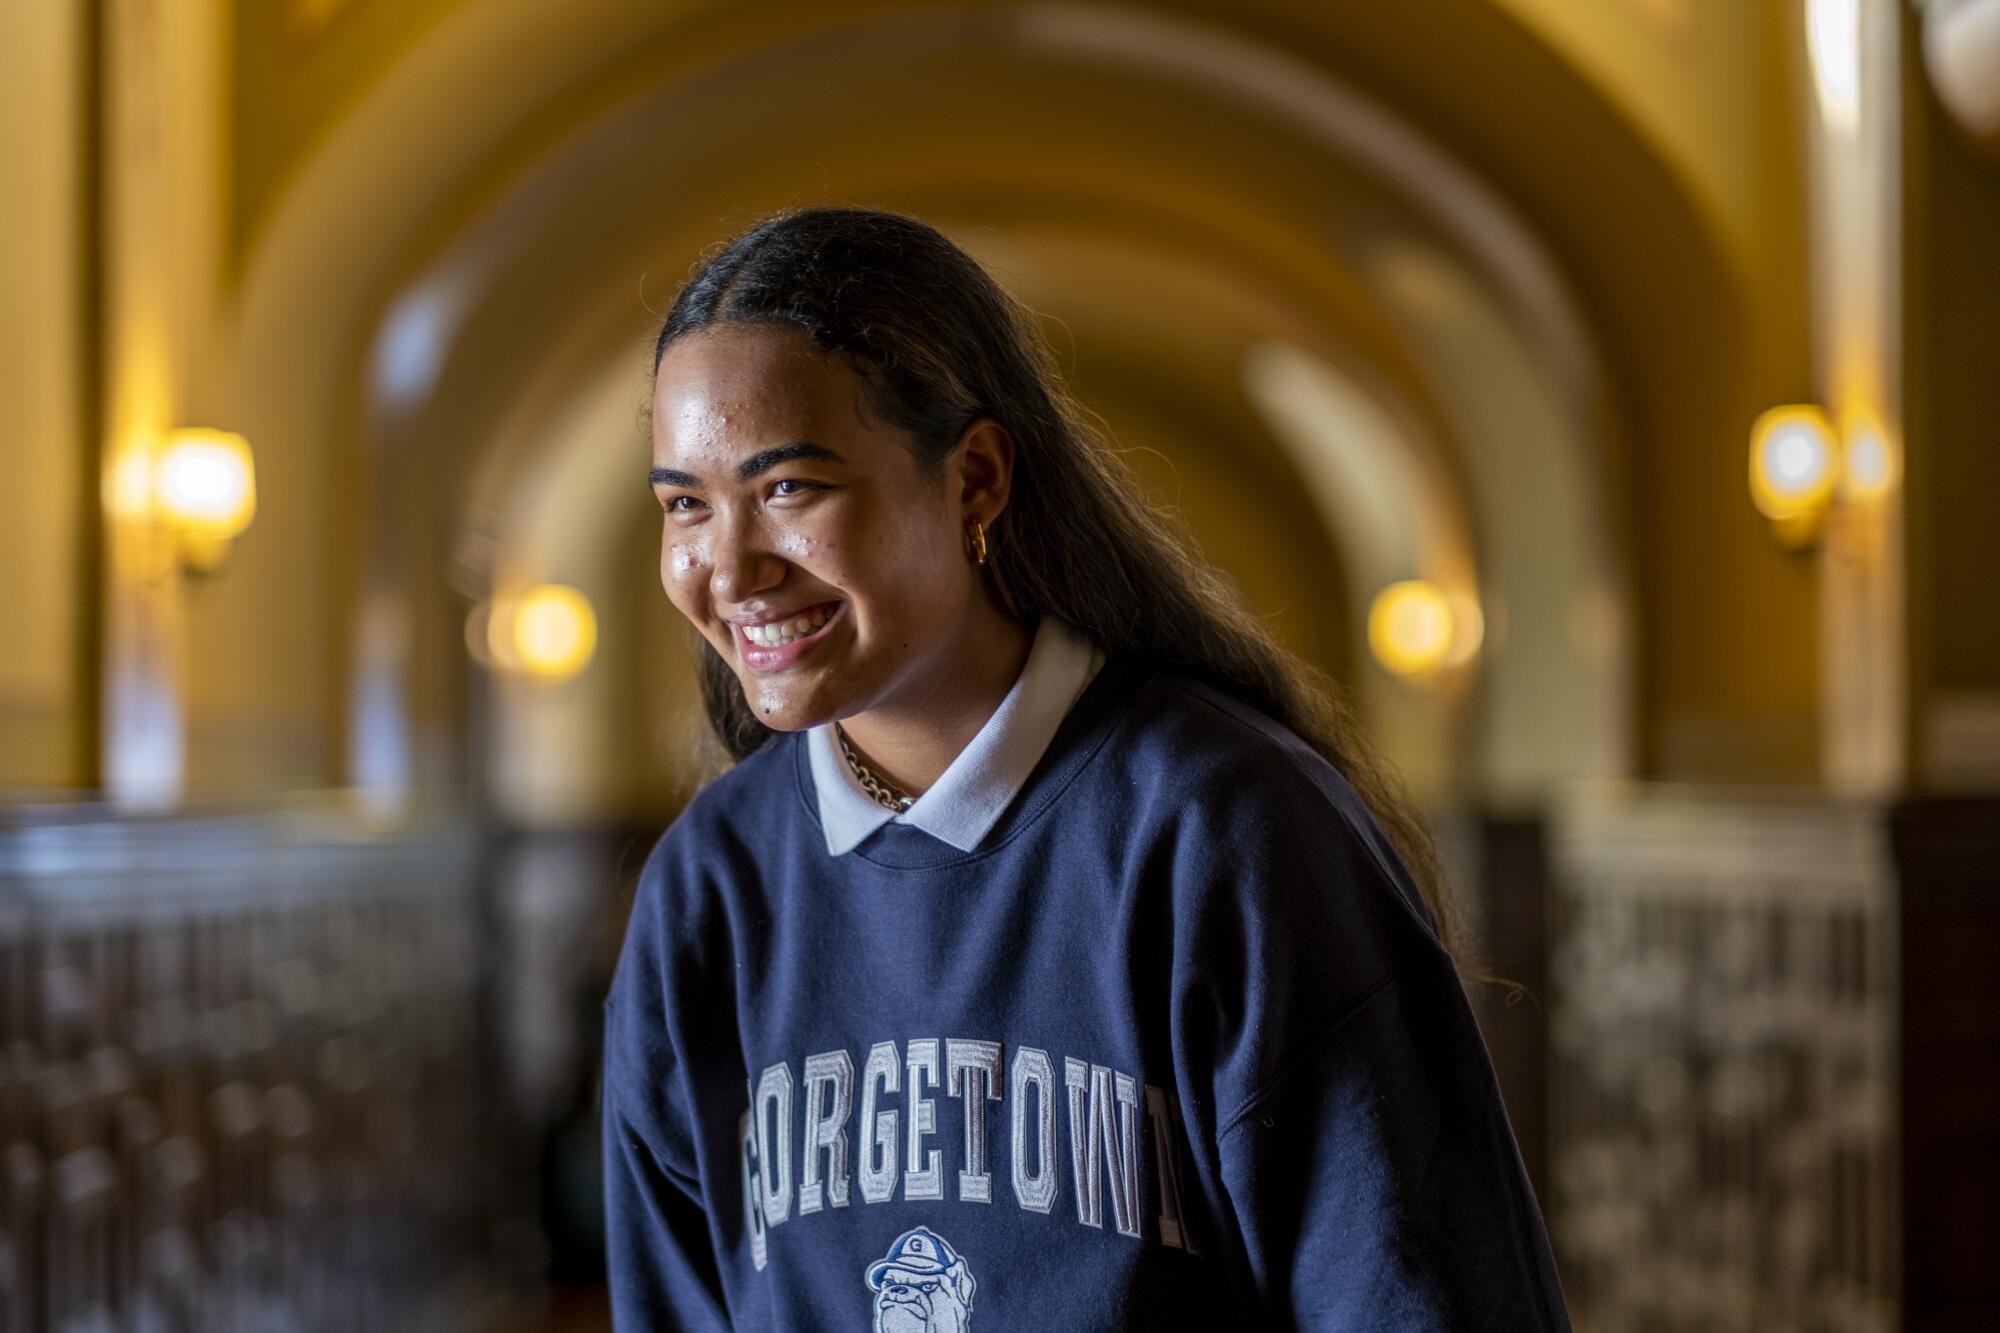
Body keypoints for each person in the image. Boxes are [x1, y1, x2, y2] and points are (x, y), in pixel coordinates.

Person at [601, 204, 1571, 1330]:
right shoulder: (708, 888)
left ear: (973, 479)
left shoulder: (1225, 831)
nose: (728, 568)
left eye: (786, 489)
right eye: (685, 504)